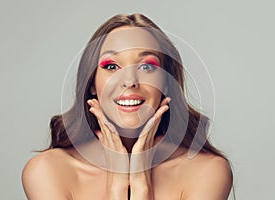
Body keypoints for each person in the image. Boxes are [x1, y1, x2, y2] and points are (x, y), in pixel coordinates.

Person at [22, 13, 233, 200]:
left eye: (147, 66)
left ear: (167, 82)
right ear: (92, 83)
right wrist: (118, 183)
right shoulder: (48, 171)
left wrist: (141, 184)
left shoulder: (207, 171)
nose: (129, 81)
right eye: (111, 66)